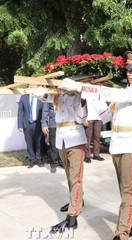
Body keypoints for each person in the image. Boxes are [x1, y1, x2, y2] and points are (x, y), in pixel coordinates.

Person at [76, 51, 132, 240]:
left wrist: (88, 88)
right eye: (127, 69)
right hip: (118, 145)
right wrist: (88, 99)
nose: (129, 73)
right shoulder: (124, 93)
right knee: (128, 187)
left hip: (130, 145)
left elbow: (118, 95)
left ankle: (122, 233)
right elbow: (106, 115)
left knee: (127, 191)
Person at [34, 80, 88, 233]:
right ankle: (77, 201)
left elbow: (83, 115)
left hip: (75, 136)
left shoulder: (77, 92)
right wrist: (41, 92)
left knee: (75, 177)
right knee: (69, 175)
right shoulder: (57, 93)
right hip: (62, 138)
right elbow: (46, 97)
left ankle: (73, 216)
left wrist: (79, 90)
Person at [18, 87, 44, 168]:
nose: (32, 87)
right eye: (31, 86)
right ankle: (31, 159)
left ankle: (39, 158)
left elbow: (44, 110)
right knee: (29, 142)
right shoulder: (23, 97)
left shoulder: (41, 97)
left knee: (39, 141)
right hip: (27, 123)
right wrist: (20, 125)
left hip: (38, 123)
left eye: (34, 86)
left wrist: (45, 124)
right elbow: (20, 111)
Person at [41, 102, 63, 173]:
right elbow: (45, 111)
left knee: (62, 144)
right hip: (53, 124)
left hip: (63, 124)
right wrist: (44, 124)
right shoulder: (49, 95)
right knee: (53, 144)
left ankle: (62, 161)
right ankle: (54, 163)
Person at [83, 98, 106, 163]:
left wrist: (104, 117)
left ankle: (96, 154)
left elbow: (104, 106)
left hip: (98, 118)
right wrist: (84, 119)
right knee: (88, 137)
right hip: (88, 117)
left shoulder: (99, 94)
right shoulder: (86, 94)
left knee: (97, 137)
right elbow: (82, 106)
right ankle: (87, 155)